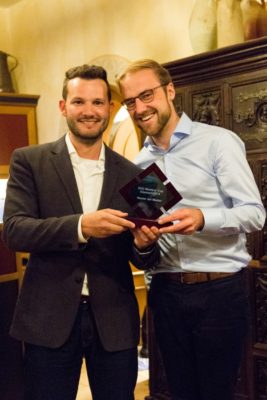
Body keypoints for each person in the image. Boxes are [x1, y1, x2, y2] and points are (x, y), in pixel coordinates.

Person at [2, 64, 160, 400]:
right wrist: (80, 226)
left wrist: (145, 245)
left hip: (114, 320)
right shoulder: (29, 160)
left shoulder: (136, 174)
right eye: (78, 102)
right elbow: (15, 231)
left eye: (98, 103)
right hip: (48, 317)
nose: (89, 111)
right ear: (63, 107)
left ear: (110, 108)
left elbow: (144, 256)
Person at [117, 59, 266, 400]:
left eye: (147, 95)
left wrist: (203, 218)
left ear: (169, 91)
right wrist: (141, 243)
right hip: (166, 293)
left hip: (220, 292)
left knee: (217, 392)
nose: (140, 108)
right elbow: (145, 247)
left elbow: (254, 214)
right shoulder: (137, 165)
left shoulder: (218, 142)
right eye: (130, 102)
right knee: (179, 393)